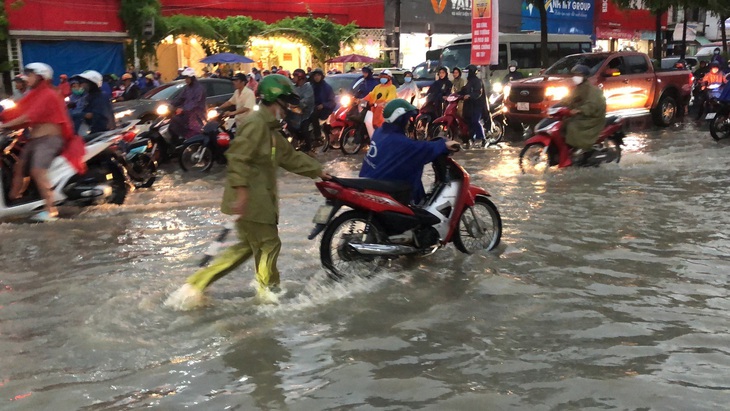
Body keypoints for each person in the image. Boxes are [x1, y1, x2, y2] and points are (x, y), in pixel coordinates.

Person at [165, 74, 330, 309]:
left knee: (246, 248)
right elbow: (238, 158)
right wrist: (242, 193)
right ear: (275, 100)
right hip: (252, 200)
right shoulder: (255, 124)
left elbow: (290, 158)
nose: (287, 109)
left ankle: (196, 285)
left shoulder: (270, 130)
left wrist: (320, 171)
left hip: (258, 198)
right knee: (269, 244)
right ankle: (268, 292)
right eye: (285, 102)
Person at [0, 63, 86, 222]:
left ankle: (50, 209)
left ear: (40, 76)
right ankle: (13, 201)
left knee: (37, 170)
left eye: (30, 75)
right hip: (35, 140)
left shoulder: (48, 94)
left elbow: (29, 116)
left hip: (50, 140)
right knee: (18, 167)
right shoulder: (34, 94)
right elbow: (17, 111)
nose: (27, 79)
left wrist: (4, 125)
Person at [359, 99, 459, 204]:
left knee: (409, 165)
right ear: (401, 119)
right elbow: (424, 148)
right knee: (412, 168)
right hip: (386, 188)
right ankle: (417, 203)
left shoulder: (380, 132)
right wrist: (444, 144)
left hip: (369, 182)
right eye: (407, 119)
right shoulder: (400, 142)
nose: (408, 123)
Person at [554, 64, 607, 168]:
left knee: (572, 126)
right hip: (583, 114)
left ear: (584, 76)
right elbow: (569, 99)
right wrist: (557, 106)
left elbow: (592, 105)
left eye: (578, 75)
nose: (575, 77)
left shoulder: (591, 90)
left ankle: (580, 147)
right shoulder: (579, 88)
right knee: (564, 124)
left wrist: (578, 110)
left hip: (593, 117)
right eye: (574, 75)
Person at [170, 67, 207, 139]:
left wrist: (183, 109)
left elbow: (195, 103)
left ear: (192, 78)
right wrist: (171, 104)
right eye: (185, 78)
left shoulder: (199, 89)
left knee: (190, 130)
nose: (186, 80)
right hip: (187, 113)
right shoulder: (187, 88)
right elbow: (180, 98)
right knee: (173, 123)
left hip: (197, 115)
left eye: (187, 78)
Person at [287, 68, 315, 151]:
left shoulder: (307, 87)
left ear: (300, 78)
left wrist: (296, 105)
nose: (293, 78)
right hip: (295, 112)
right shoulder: (293, 87)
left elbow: (306, 100)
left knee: (304, 129)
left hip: (307, 112)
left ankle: (308, 147)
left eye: (295, 77)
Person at [363, 69, 398, 134]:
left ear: (389, 78)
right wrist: (362, 100)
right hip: (374, 108)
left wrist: (382, 103)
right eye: (381, 77)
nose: (382, 78)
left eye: (385, 77)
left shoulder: (392, 87)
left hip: (384, 109)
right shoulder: (377, 87)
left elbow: (390, 98)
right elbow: (371, 95)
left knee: (380, 125)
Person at [461, 64, 487, 147]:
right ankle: (470, 137)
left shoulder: (477, 81)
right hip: (469, 105)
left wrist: (470, 96)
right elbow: (464, 90)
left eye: (467, 72)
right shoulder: (468, 81)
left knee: (475, 121)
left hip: (477, 105)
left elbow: (478, 92)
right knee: (468, 121)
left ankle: (482, 138)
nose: (466, 74)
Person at [309, 68, 335, 146]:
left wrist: (323, 105)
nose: (316, 77)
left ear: (321, 76)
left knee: (313, 115)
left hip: (324, 110)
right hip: (312, 107)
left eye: (318, 75)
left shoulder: (327, 88)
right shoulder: (311, 86)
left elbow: (332, 102)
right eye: (315, 76)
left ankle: (318, 136)